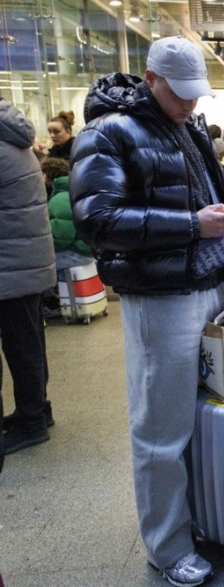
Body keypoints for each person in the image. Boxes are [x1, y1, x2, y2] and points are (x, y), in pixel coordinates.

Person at [69, 36, 224, 587]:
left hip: (208, 291)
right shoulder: (107, 133)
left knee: (205, 417)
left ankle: (197, 522)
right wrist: (190, 227)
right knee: (161, 430)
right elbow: (98, 223)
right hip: (159, 301)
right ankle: (166, 548)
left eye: (195, 94)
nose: (190, 104)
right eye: (180, 94)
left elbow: (223, 207)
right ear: (151, 79)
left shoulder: (188, 127)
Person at [0, 97, 56, 455]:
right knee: (29, 342)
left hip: (11, 263)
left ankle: (32, 420)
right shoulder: (12, 140)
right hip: (25, 261)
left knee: (22, 347)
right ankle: (36, 410)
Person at [43, 157, 94, 271]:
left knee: (37, 267)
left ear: (47, 177)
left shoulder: (59, 199)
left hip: (75, 253)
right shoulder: (77, 191)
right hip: (88, 251)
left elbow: (62, 238)